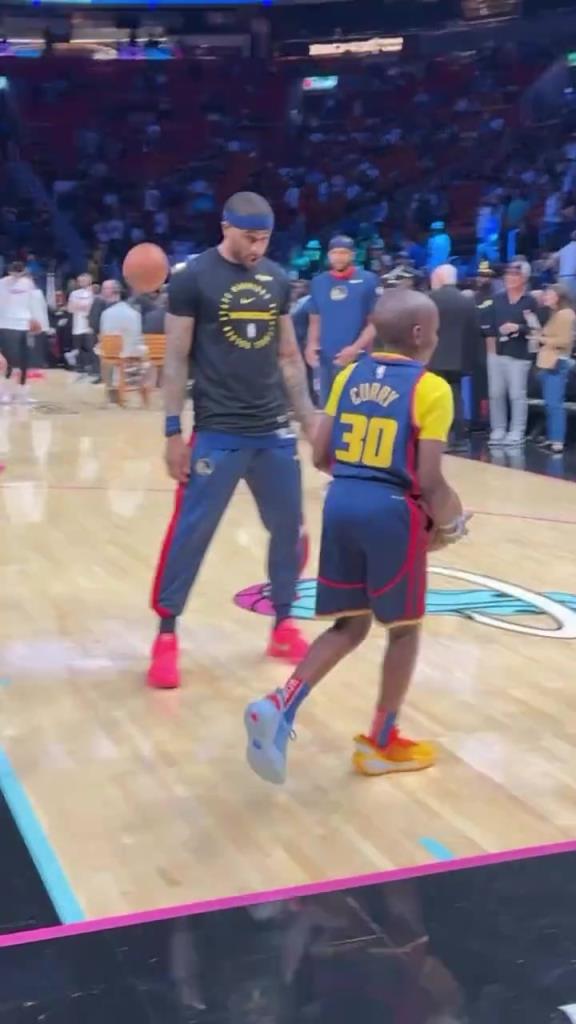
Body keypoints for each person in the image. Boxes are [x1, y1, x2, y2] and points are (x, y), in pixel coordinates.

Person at [244, 289, 468, 785]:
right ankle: (381, 742)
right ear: (418, 334)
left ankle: (280, 704)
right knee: (403, 630)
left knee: (349, 626)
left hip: (341, 502)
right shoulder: (431, 389)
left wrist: (360, 476)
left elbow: (321, 454)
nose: (435, 337)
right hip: (391, 512)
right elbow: (430, 479)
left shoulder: (348, 376)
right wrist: (451, 523)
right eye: (434, 330)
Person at [148, 192, 317, 689]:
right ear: (226, 227)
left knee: (291, 530)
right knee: (191, 534)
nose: (257, 247)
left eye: (264, 238)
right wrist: (173, 430)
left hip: (273, 431)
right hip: (217, 431)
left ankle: (283, 624)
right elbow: (176, 358)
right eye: (249, 237)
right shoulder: (192, 278)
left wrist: (311, 423)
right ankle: (166, 636)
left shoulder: (277, 279)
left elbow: (289, 357)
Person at [305, 235, 379, 406]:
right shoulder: (318, 282)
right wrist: (311, 345)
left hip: (358, 358)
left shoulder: (368, 280)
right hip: (326, 358)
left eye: (344, 253)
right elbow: (315, 318)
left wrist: (355, 348)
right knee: (327, 407)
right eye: (335, 253)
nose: (338, 257)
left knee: (355, 407)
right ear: (328, 255)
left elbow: (374, 322)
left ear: (352, 255)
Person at [486, 260, 541, 447]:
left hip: (519, 354)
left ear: (524, 278)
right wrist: (491, 351)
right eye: (508, 274)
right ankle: (498, 428)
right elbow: (489, 326)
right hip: (497, 352)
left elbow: (535, 328)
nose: (509, 278)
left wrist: (518, 327)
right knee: (495, 393)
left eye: (515, 275)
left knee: (517, 394)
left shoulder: (530, 301)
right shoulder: (497, 298)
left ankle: (517, 431)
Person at [429, 264, 481, 451]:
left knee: (435, 398)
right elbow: (474, 331)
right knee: (456, 396)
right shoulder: (467, 301)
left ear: (439, 278)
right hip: (459, 358)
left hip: (433, 357)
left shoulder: (430, 299)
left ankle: (440, 437)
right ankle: (459, 438)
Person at [536, 284, 576, 454]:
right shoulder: (556, 314)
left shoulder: (565, 314)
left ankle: (557, 442)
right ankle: (553, 438)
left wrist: (541, 339)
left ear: (558, 297)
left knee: (554, 404)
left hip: (557, 362)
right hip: (549, 362)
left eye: (549, 294)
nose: (545, 297)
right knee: (550, 404)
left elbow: (565, 341)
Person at [0, 261, 38, 402]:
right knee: (9, 361)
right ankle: (5, 392)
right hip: (7, 325)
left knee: (24, 361)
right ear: (9, 271)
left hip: (24, 325)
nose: (16, 275)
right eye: (13, 272)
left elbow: (33, 302)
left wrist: (34, 319)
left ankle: (22, 393)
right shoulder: (3, 283)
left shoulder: (28, 283)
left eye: (19, 272)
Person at [67, 272, 97, 379]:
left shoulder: (93, 293)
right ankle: (79, 367)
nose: (82, 282)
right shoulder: (74, 294)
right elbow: (70, 308)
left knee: (90, 347)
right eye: (80, 281)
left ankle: (91, 367)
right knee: (77, 348)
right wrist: (83, 306)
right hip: (77, 324)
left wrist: (79, 306)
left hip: (89, 325)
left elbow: (91, 307)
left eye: (84, 280)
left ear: (90, 281)